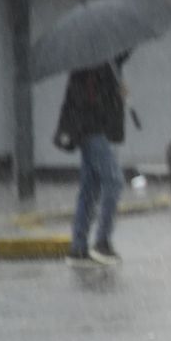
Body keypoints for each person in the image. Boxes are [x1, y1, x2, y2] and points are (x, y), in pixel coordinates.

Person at [56, 51, 129, 267]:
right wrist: (115, 91)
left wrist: (117, 89)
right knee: (114, 181)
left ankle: (78, 248)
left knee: (90, 187)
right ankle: (102, 242)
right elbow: (88, 99)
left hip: (92, 130)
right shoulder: (92, 62)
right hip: (92, 130)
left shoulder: (106, 61)